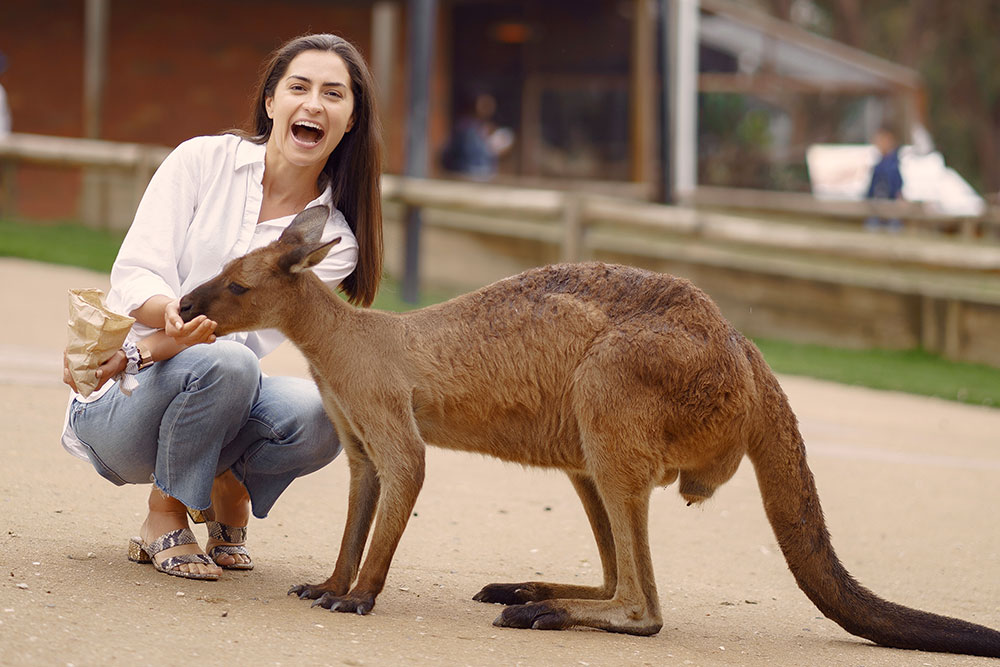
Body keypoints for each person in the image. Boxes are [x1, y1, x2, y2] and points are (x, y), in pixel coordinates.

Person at [59, 33, 383, 580]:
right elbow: (134, 275)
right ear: (271, 102)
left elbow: (244, 341)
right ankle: (164, 515)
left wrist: (152, 347)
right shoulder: (201, 160)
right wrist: (160, 327)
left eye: (333, 94)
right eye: (298, 87)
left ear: (350, 119)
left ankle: (224, 482)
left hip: (206, 392)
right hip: (121, 406)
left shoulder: (332, 242)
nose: (313, 104)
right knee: (227, 364)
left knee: (323, 409)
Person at [439, 92, 513, 180]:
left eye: (489, 105)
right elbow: (450, 153)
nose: (486, 109)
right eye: (483, 105)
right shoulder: (464, 127)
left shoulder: (492, 128)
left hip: (486, 176)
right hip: (465, 175)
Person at [864, 126, 904, 232]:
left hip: (890, 206)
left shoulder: (894, 164)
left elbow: (897, 187)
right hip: (876, 206)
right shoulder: (878, 164)